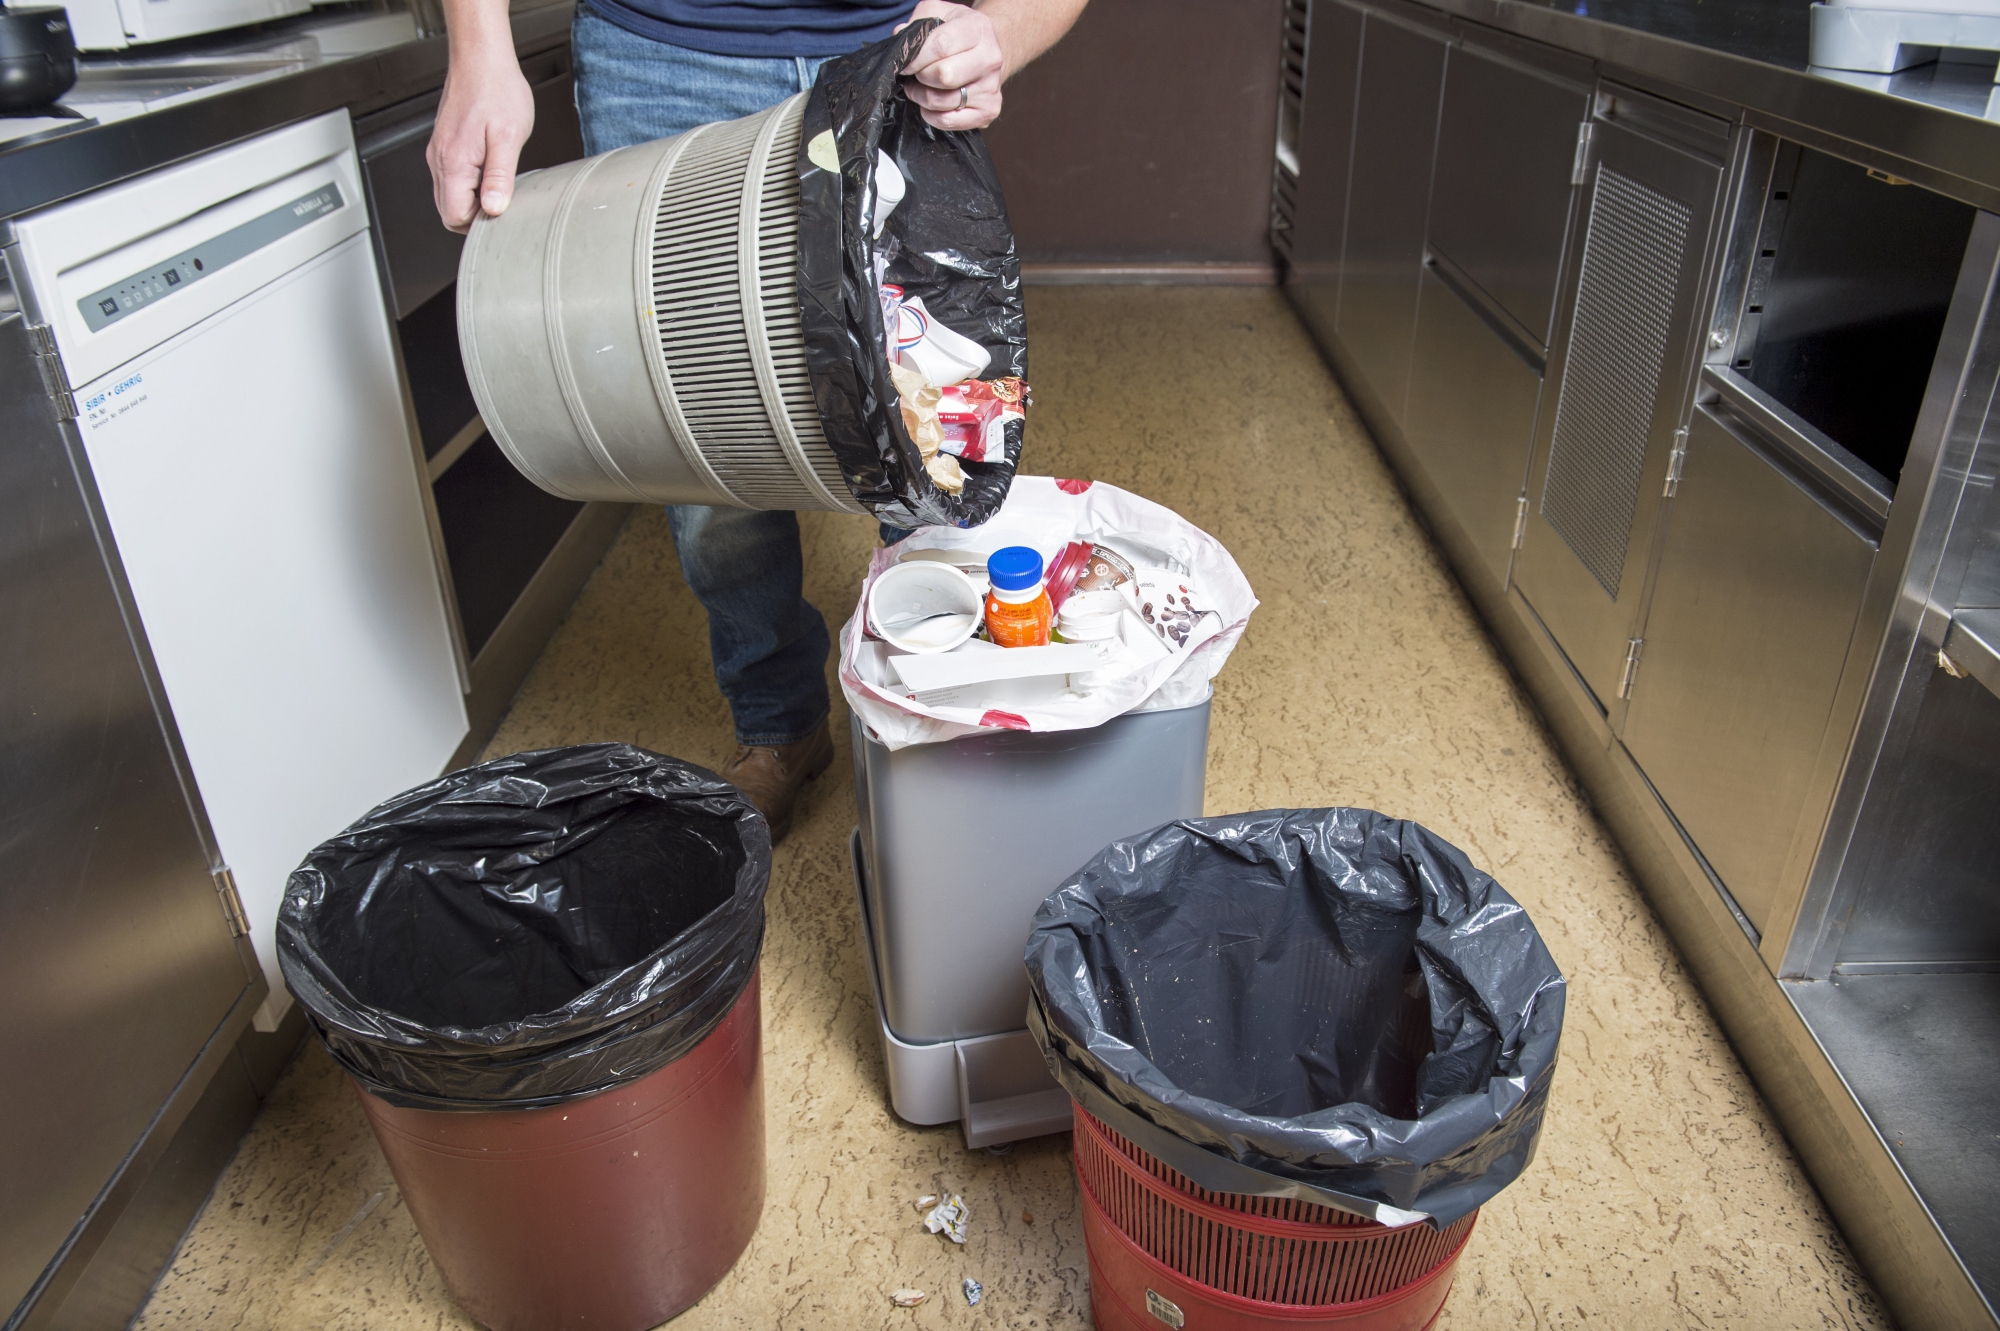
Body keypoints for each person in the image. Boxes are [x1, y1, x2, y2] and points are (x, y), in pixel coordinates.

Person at [427, 0, 1085, 842]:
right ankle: (781, 725)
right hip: (661, 55)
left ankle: (941, 724)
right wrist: (479, 47)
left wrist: (1002, 29)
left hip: (889, 54)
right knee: (705, 451)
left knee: (929, 417)